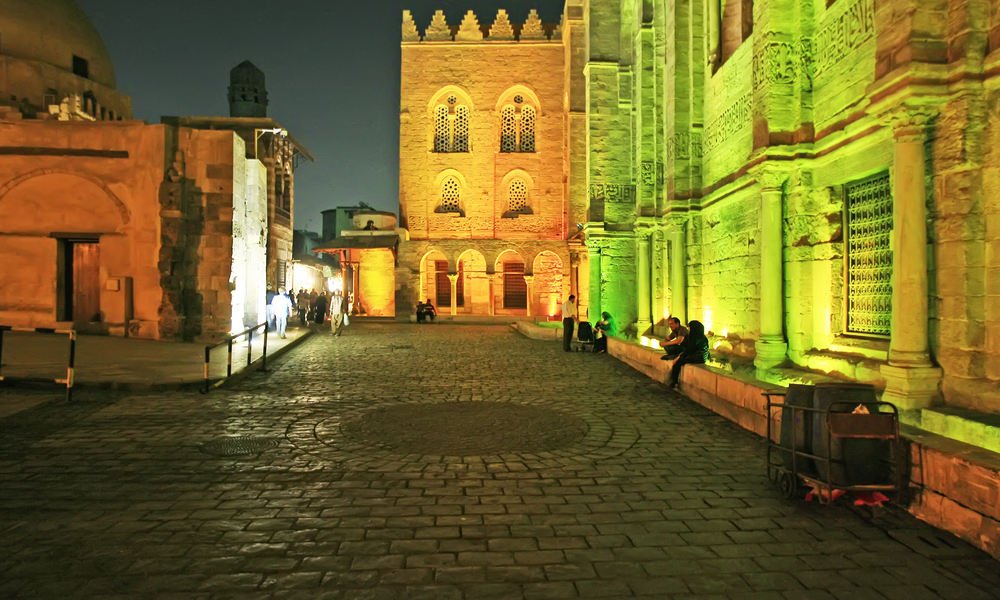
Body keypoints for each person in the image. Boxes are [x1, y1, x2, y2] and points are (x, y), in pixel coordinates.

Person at [667, 320, 710, 389]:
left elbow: (690, 350)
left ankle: (674, 382)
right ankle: (674, 381)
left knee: (677, 363)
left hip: (698, 356)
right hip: (702, 356)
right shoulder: (702, 336)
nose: (688, 329)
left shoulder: (695, 338)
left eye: (689, 327)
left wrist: (680, 356)